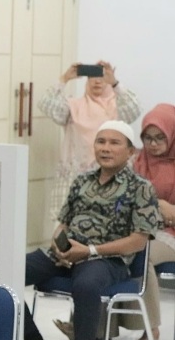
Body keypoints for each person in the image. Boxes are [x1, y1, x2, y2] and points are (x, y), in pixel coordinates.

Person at [22, 120, 161, 340]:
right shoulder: (82, 180)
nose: (105, 148)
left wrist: (90, 251)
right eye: (101, 141)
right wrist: (60, 246)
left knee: (85, 285)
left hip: (108, 259)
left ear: (130, 151)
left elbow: (138, 240)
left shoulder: (141, 188)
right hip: (67, 254)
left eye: (114, 143)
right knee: (7, 273)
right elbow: (63, 223)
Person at [38, 61, 141, 223]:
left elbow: (134, 109)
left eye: (101, 76)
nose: (97, 81)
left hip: (111, 179)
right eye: (92, 76)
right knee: (66, 228)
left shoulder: (117, 108)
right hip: (74, 178)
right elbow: (45, 103)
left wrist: (115, 83)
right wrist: (65, 78)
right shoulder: (73, 107)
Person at [118, 103, 175, 340]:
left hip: (169, 235)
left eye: (160, 137)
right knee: (107, 250)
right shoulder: (136, 162)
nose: (152, 144)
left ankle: (150, 331)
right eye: (147, 138)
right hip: (139, 229)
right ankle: (97, 329)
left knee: (142, 255)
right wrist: (158, 205)